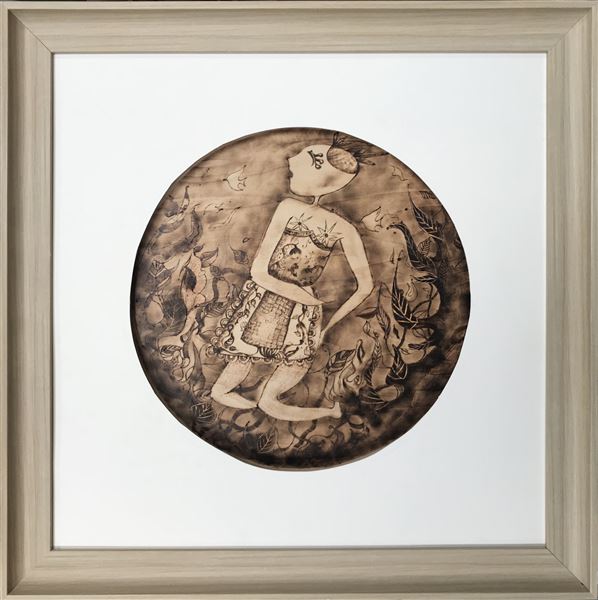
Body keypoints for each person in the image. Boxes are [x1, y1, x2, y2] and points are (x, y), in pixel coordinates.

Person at [210, 132, 382, 421]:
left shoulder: (342, 228)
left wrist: (326, 324)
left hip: (299, 313)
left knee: (270, 398)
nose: (291, 160)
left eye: (305, 160)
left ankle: (329, 412)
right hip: (271, 302)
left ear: (324, 176)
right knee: (232, 375)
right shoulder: (289, 209)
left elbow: (366, 286)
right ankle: (229, 393)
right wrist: (309, 302)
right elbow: (258, 271)